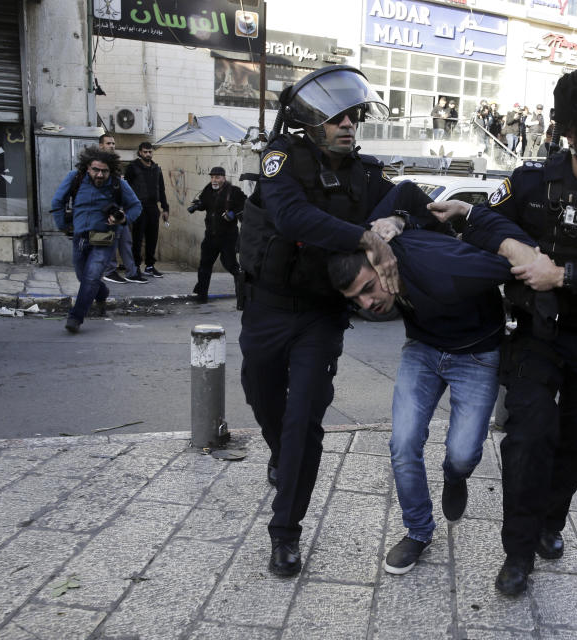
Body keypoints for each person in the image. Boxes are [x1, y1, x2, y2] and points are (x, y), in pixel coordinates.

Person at [430, 67, 577, 596]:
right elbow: (491, 222)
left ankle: (551, 522)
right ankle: (518, 553)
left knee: (573, 441)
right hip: (538, 334)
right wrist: (477, 216)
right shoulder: (534, 180)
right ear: (576, 126)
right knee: (529, 437)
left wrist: (563, 275)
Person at [238, 65, 435, 578]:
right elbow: (290, 218)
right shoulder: (283, 159)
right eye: (338, 117)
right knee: (261, 395)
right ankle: (282, 455)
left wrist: (397, 221)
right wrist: (365, 238)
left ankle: (285, 533)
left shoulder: (366, 174)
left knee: (304, 417)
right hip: (270, 306)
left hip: (321, 316)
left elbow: (412, 198)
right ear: (313, 122)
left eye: (354, 116)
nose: (349, 124)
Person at [328, 215, 536, 576]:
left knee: (462, 455)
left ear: (382, 263)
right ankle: (419, 531)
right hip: (422, 350)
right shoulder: (382, 257)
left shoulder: (443, 269)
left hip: (477, 355)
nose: (367, 304)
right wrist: (397, 219)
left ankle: (454, 477)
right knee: (403, 441)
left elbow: (511, 264)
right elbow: (404, 190)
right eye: (356, 299)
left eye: (368, 288)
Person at [50, 146, 141, 333]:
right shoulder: (75, 178)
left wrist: (123, 219)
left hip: (105, 239)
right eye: (96, 170)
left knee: (91, 277)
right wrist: (63, 226)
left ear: (111, 170)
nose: (100, 175)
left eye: (104, 171)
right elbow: (57, 202)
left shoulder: (118, 184)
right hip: (80, 237)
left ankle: (75, 317)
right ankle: (102, 292)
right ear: (87, 168)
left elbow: (136, 206)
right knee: (82, 277)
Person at [188, 166, 247, 308]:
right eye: (212, 177)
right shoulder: (208, 189)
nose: (214, 180)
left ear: (223, 178)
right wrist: (197, 206)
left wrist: (233, 213)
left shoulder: (234, 191)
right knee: (204, 265)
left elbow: (244, 204)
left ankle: (242, 296)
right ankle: (201, 295)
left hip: (228, 237)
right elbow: (204, 203)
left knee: (231, 265)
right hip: (211, 236)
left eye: (217, 177)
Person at [97, 134, 148, 285]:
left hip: (119, 208)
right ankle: (109, 271)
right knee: (110, 241)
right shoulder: (97, 162)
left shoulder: (115, 163)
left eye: (113, 143)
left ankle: (131, 272)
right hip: (104, 210)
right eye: (108, 143)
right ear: (101, 145)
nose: (112, 146)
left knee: (126, 241)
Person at [123, 141, 169, 277]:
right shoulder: (132, 168)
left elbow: (162, 189)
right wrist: (127, 207)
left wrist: (165, 208)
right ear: (140, 152)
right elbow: (126, 188)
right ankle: (135, 266)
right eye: (145, 152)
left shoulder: (156, 168)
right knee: (137, 239)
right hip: (138, 208)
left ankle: (149, 266)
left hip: (153, 207)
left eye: (150, 152)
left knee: (152, 238)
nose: (148, 154)